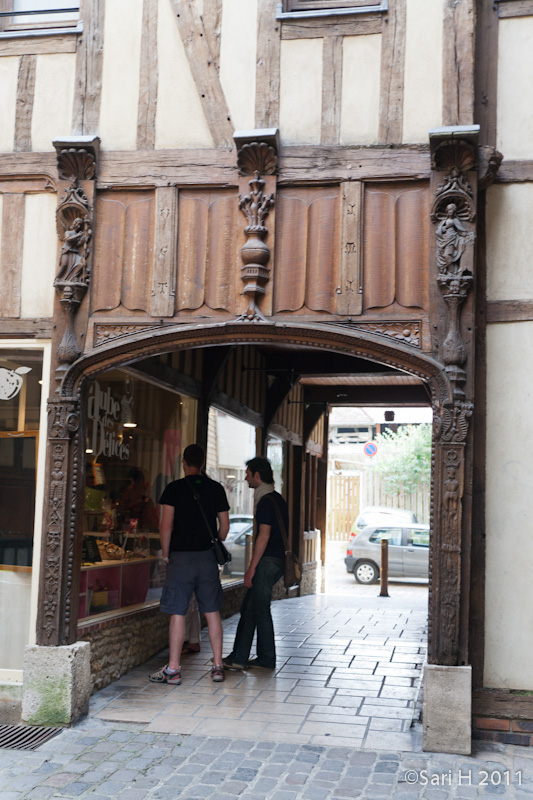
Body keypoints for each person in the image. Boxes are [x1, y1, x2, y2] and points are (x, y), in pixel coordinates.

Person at [149, 444, 229, 685]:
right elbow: (224, 527)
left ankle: (173, 669)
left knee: (178, 612)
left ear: (184, 462)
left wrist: (165, 553)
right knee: (212, 612)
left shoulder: (173, 489)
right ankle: (217, 666)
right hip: (207, 558)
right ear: (203, 463)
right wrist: (214, 541)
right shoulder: (216, 488)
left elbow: (166, 525)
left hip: (180, 559)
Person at [223, 456, 286, 670]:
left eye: (248, 473)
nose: (245, 478)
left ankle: (266, 659)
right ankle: (240, 657)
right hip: (276, 561)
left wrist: (251, 568)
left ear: (257, 475)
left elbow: (263, 536)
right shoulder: (276, 498)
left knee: (259, 610)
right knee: (250, 608)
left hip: (267, 562)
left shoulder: (266, 502)